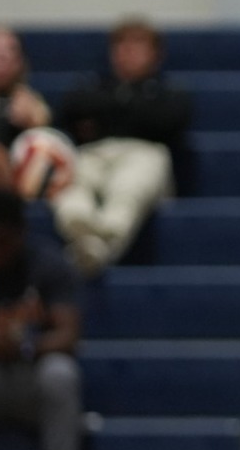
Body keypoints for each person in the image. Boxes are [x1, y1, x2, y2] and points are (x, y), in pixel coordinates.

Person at [51, 19, 191, 275]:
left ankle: (98, 246)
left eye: (138, 44)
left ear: (156, 54)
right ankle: (88, 240)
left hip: (143, 154)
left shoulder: (169, 91)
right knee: (71, 180)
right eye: (121, 45)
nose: (128, 52)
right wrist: (127, 110)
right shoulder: (91, 86)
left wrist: (105, 114)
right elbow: (71, 109)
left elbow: (169, 119)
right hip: (93, 154)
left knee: (129, 186)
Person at [0, 189, 82, 450]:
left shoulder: (46, 264)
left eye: (2, 242)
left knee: (61, 374)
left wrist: (23, 346)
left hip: (30, 380)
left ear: (21, 233)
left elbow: (68, 335)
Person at [0, 28, 51, 151]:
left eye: (11, 49)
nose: (1, 56)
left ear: (20, 61)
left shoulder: (30, 101)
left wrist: (33, 122)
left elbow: (46, 140)